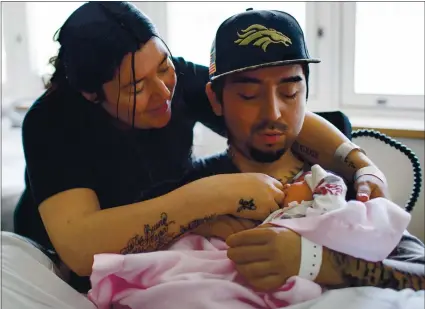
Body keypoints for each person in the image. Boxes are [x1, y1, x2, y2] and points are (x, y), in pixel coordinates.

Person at [6, 1, 387, 299]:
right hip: (58, 256)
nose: (163, 93)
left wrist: (358, 163)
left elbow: (274, 115)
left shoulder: (177, 81)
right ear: (91, 94)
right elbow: (79, 249)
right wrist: (211, 197)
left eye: (164, 65)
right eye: (136, 88)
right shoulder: (52, 122)